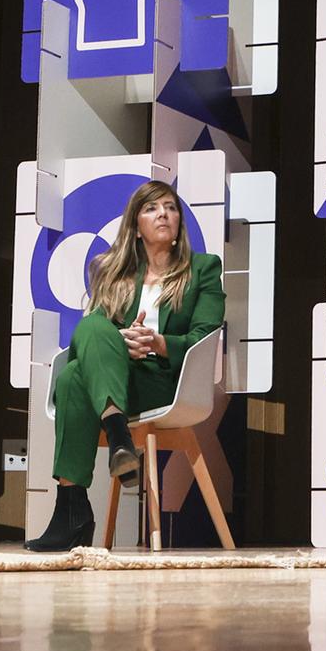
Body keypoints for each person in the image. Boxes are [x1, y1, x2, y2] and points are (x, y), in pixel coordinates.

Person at [27, 180, 227, 551]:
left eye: (170, 207)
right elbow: (93, 338)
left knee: (73, 377)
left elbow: (205, 335)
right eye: (152, 208)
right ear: (136, 226)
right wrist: (121, 343)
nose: (163, 214)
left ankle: (72, 513)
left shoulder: (202, 269)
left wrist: (157, 342)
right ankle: (118, 438)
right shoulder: (113, 273)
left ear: (179, 222)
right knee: (86, 343)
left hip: (165, 381)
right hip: (118, 377)